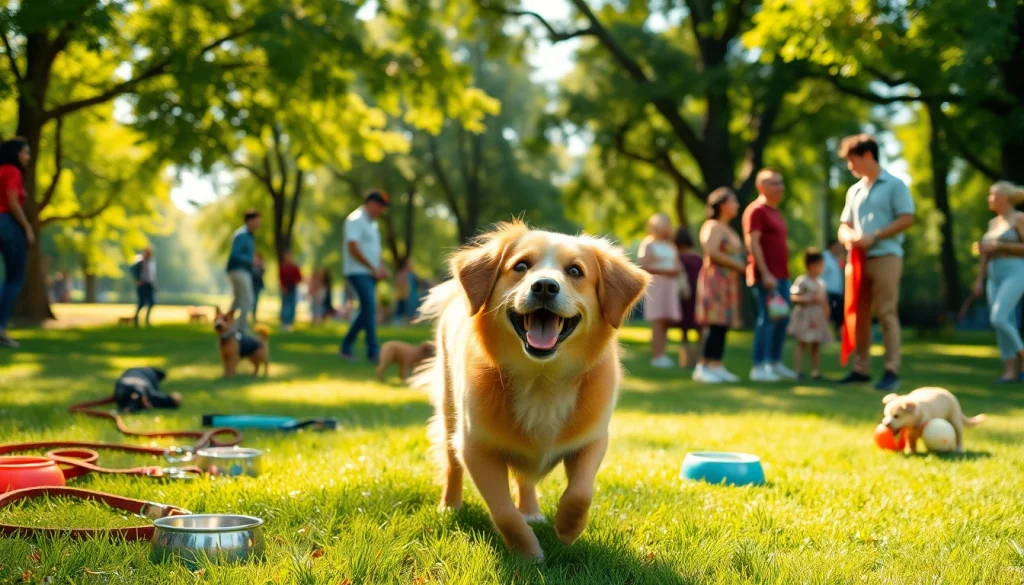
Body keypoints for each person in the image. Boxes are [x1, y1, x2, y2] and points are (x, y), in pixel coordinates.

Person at [836, 134, 915, 392]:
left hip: (886, 257)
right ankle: (861, 369)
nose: (850, 166)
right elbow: (844, 225)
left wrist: (876, 235)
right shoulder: (854, 190)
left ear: (868, 155)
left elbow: (907, 218)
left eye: (853, 160)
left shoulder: (895, 185)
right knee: (858, 315)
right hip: (857, 261)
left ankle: (891, 369)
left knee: (886, 313)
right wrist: (849, 236)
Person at [743, 168, 796, 382]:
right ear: (761, 187)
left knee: (781, 319)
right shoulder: (756, 211)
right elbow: (752, 242)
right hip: (767, 276)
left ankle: (774, 362)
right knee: (766, 320)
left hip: (781, 276)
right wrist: (765, 272)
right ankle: (759, 366)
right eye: (774, 183)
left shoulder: (776, 212)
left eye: (781, 182)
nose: (780, 187)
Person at [970, 181, 1024, 383]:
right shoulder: (992, 223)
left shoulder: (1019, 218)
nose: (989, 199)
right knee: (1006, 322)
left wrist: (999, 245)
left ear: (1005, 198)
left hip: (1016, 271)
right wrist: (979, 280)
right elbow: (986, 254)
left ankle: (1022, 354)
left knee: (998, 317)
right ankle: (1010, 372)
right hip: (994, 274)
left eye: (992, 195)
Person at [694, 188, 745, 383]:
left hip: (728, 282)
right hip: (716, 280)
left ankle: (716, 364)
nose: (737, 205)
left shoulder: (729, 229)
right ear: (722, 205)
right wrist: (738, 265)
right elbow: (711, 251)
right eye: (733, 201)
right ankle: (703, 366)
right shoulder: (712, 226)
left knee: (723, 325)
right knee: (715, 323)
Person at [340, 190, 389, 362]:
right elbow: (353, 247)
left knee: (368, 309)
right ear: (371, 203)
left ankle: (349, 346)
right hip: (357, 271)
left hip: (370, 273)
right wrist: (372, 268)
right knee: (369, 307)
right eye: (380, 206)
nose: (381, 211)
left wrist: (381, 267)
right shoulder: (355, 219)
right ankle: (372, 350)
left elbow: (375, 251)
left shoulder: (373, 225)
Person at [0, 138, 33, 348]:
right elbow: (12, 200)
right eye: (26, 152)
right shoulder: (12, 171)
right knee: (14, 278)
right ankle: (0, 328)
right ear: (16, 153)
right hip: (7, 224)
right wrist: (27, 227)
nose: (28, 157)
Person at [639, 213, 682, 368]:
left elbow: (677, 266)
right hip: (656, 285)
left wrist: (670, 272)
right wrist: (665, 271)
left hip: (670, 286)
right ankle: (656, 356)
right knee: (657, 321)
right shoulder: (648, 244)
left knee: (666, 320)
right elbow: (644, 266)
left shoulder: (671, 245)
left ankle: (662, 354)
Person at [787, 249, 834, 380]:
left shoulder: (821, 283)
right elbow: (794, 297)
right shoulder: (802, 281)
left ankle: (815, 371)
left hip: (817, 318)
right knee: (802, 344)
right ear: (811, 266)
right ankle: (797, 371)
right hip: (805, 317)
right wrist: (808, 299)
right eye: (820, 265)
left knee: (816, 345)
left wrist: (827, 313)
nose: (821, 269)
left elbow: (824, 301)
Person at [226, 210, 260, 334]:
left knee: (237, 300)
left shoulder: (250, 236)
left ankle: (227, 325)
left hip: (243, 271)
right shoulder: (241, 235)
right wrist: (251, 260)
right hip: (238, 271)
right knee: (248, 299)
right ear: (250, 221)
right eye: (257, 221)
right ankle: (241, 328)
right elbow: (235, 255)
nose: (258, 224)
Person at [675, 227, 703, 368]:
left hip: (684, 296)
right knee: (699, 327)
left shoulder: (677, 258)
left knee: (685, 328)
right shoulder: (698, 258)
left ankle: (685, 358)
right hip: (698, 294)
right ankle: (701, 356)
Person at [822, 240, 846, 336]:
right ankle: (824, 335)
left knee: (838, 315)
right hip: (827, 292)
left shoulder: (837, 259)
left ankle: (838, 336)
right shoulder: (824, 257)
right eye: (837, 246)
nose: (839, 249)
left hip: (837, 292)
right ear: (832, 247)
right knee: (827, 315)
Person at [131, 245, 157, 327]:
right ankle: (136, 318)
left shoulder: (151, 262)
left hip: (149, 285)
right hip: (142, 285)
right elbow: (133, 270)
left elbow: (152, 275)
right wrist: (137, 280)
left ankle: (147, 319)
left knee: (152, 302)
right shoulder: (140, 261)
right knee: (141, 303)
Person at [278, 249, 302, 332]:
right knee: (286, 305)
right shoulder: (283, 267)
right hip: (286, 288)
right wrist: (283, 287)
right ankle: (284, 323)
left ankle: (289, 323)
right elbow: (281, 279)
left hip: (293, 287)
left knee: (292, 305)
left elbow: (299, 278)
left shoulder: (294, 267)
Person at [251, 252, 265, 324]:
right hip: (252, 285)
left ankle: (253, 315)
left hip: (257, 286)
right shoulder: (251, 266)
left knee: (255, 301)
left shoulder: (260, 267)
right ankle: (251, 315)